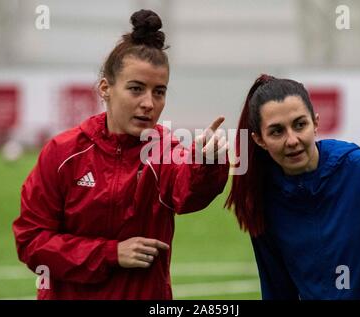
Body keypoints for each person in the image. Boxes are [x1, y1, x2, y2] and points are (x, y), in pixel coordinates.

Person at [13, 9, 229, 300]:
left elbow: (188, 193)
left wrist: (207, 162)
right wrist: (110, 253)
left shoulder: (164, 152)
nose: (149, 103)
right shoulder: (62, 153)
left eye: (159, 92)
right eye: (136, 89)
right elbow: (31, 241)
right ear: (106, 88)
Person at [226, 74, 360, 299]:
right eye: (277, 131)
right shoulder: (263, 199)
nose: (292, 140)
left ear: (316, 122)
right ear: (259, 140)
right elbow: (277, 290)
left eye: (300, 125)